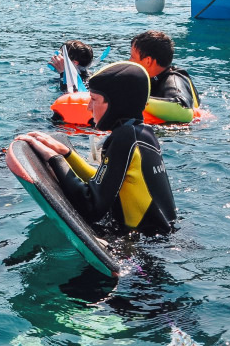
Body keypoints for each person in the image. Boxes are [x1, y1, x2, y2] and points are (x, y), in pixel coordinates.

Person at [17, 61, 176, 235]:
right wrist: (67, 155)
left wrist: (53, 159)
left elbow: (91, 207)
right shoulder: (143, 133)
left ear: (116, 104)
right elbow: (104, 183)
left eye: (94, 99)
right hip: (164, 238)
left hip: (142, 248)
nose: (88, 107)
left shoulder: (123, 138)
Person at [129, 30, 200, 110]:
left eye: (132, 57)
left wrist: (132, 100)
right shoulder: (151, 78)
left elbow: (181, 106)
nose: (129, 61)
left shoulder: (174, 80)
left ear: (148, 61)